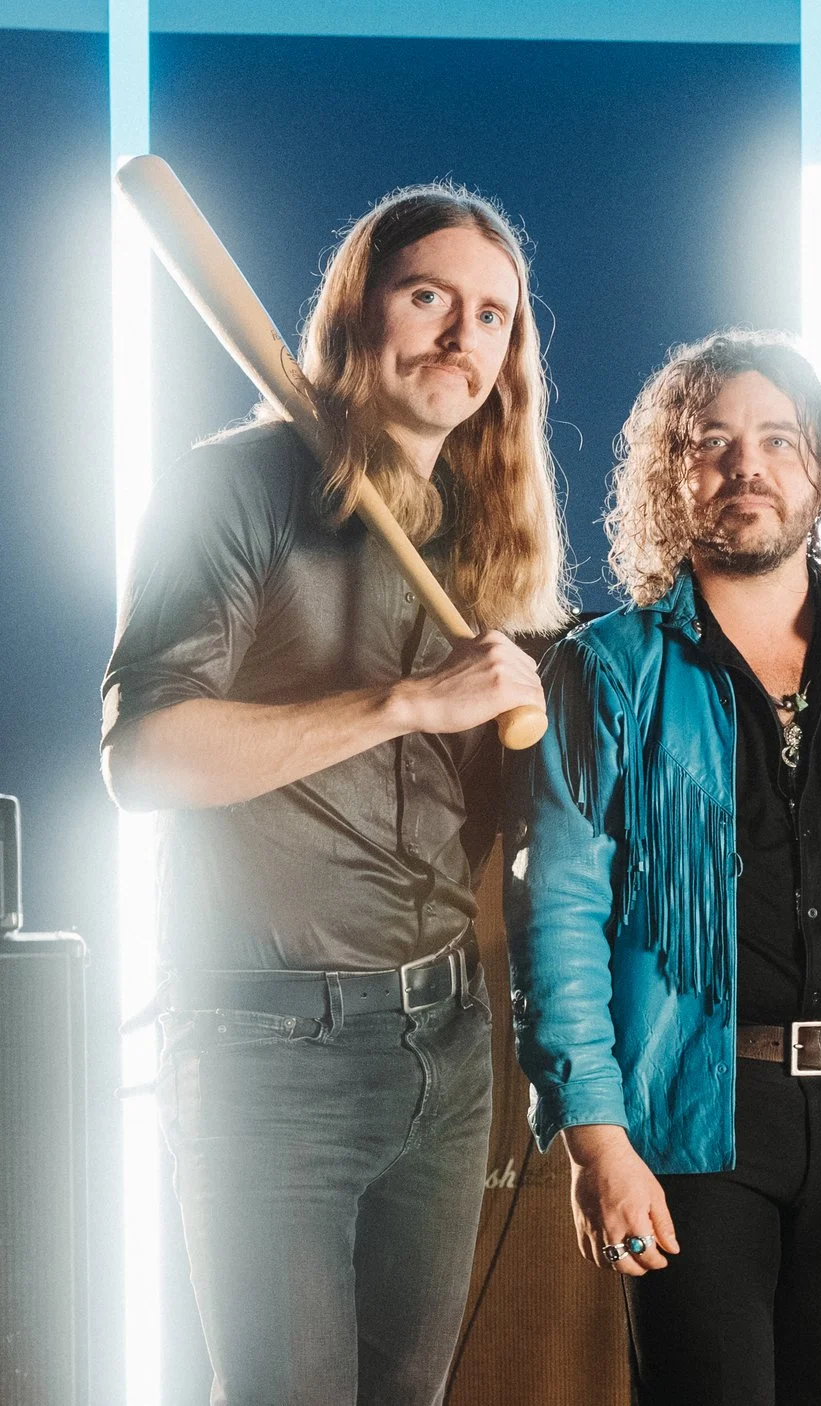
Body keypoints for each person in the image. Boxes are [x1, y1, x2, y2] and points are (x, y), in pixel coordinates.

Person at [101, 183, 567, 1404]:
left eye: (492, 317)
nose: (462, 339)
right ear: (361, 309)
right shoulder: (236, 487)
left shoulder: (483, 530)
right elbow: (141, 756)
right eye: (430, 298)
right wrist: (407, 700)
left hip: (448, 1039)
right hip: (270, 1047)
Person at [505, 329, 821, 1406]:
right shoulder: (604, 671)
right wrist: (598, 1140)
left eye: (778, 439)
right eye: (713, 441)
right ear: (671, 473)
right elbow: (555, 916)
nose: (747, 464)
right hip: (687, 1120)